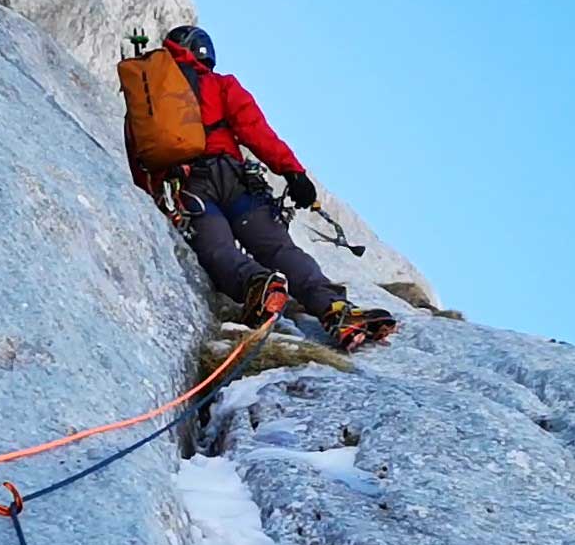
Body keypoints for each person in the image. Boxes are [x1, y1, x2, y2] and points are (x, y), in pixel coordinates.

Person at [131, 26, 395, 350]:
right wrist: (293, 173)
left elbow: (140, 161)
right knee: (279, 250)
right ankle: (335, 309)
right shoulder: (221, 84)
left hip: (190, 188)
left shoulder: (146, 101)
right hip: (235, 179)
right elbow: (256, 130)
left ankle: (260, 287)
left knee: (218, 251)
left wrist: (159, 200)